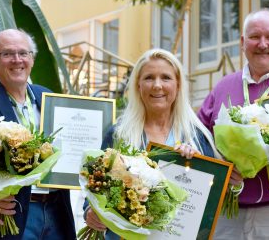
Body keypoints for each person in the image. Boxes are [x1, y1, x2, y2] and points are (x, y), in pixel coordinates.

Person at [83, 48, 221, 239]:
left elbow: (214, 201)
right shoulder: (118, 134)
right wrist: (91, 214)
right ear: (138, 85)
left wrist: (196, 167)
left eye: (166, 77)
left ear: (178, 85)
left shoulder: (196, 137)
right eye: (149, 78)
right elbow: (94, 189)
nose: (157, 85)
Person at [198, 8, 269, 239]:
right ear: (243, 42)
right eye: (255, 37)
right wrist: (220, 168)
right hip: (229, 214)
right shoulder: (223, 86)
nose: (262, 44)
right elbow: (199, 140)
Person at [0, 29, 76, 240]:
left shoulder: (47, 95)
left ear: (32, 58)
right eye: (7, 54)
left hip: (56, 212)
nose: (17, 60)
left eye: (24, 53)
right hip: (10, 214)